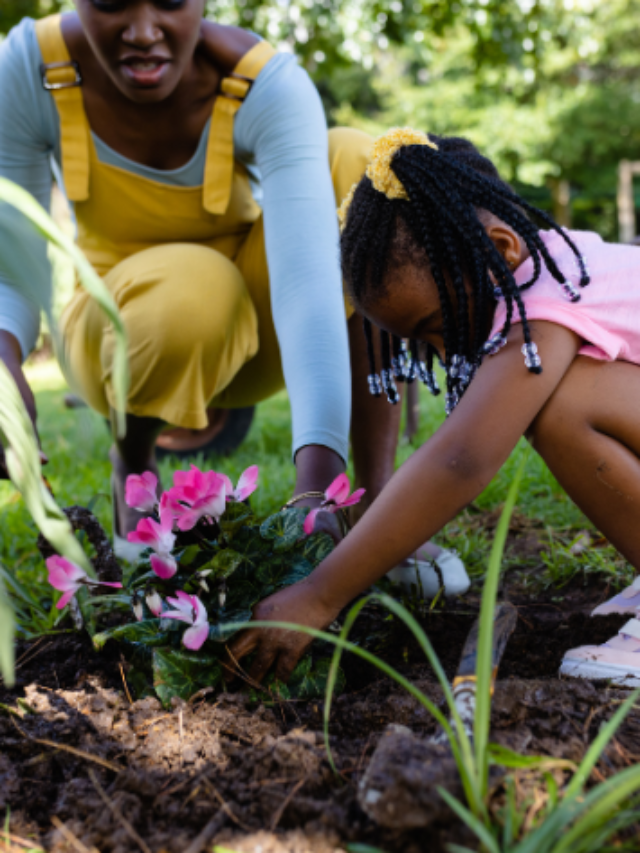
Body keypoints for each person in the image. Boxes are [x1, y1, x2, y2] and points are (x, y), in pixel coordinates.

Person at [0, 4, 466, 591]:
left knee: (360, 163)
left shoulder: (265, 83)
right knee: (194, 290)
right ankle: (134, 459)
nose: (143, 32)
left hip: (257, 329)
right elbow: (10, 264)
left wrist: (316, 488)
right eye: (114, 0)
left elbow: (307, 286)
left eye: (169, 1)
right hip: (117, 339)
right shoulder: (29, 67)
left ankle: (370, 507)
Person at [228, 127, 640, 688]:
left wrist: (317, 594)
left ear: (499, 249)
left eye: (436, 326)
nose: (444, 354)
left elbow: (462, 459)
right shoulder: (557, 268)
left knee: (564, 408)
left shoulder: (545, 311)